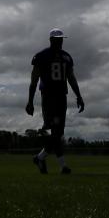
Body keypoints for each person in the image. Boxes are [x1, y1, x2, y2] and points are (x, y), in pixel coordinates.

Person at [26, 28, 84, 175]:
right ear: (51, 40)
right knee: (56, 131)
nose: (60, 41)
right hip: (48, 96)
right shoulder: (41, 56)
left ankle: (41, 158)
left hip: (61, 96)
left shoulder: (66, 57)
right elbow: (34, 80)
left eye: (61, 39)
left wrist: (79, 95)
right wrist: (30, 101)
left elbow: (71, 78)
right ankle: (61, 165)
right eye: (57, 39)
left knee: (58, 132)